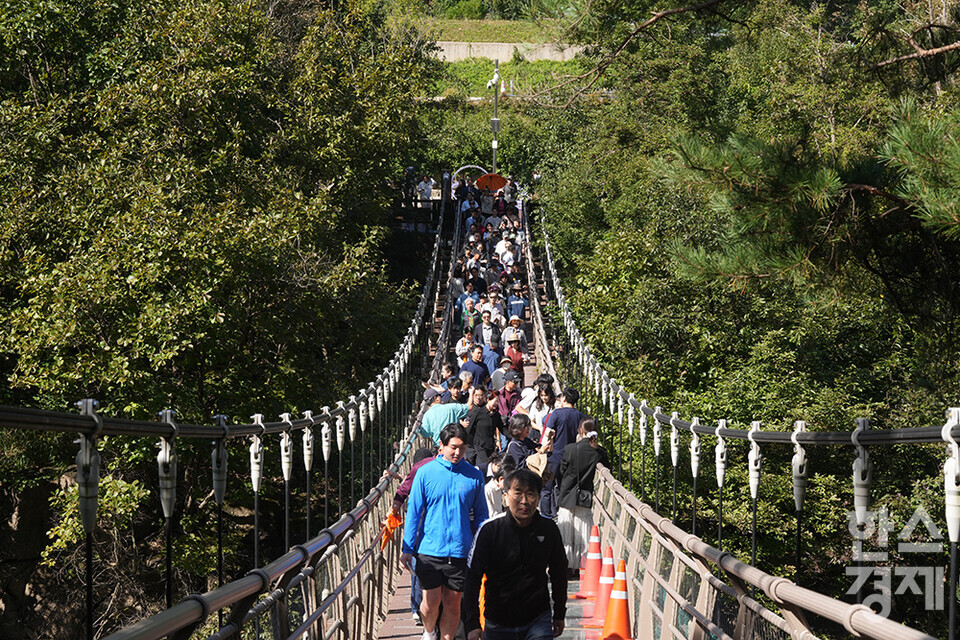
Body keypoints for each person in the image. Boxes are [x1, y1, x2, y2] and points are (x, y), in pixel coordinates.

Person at [403, 424, 489, 640]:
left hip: (460, 550)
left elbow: (481, 516)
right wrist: (407, 548)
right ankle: (430, 632)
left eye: (462, 448)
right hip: (429, 550)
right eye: (453, 447)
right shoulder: (425, 473)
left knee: (453, 603)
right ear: (440, 446)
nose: (457, 452)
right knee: (430, 604)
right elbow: (413, 512)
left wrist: (483, 546)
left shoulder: (473, 476)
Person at [463, 469, 567, 640]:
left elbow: (559, 572)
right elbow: (472, 578)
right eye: (518, 493)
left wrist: (559, 613)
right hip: (498, 620)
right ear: (505, 496)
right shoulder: (490, 530)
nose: (524, 501)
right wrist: (472, 624)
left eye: (531, 494)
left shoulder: (548, 529)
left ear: (539, 497)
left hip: (537, 618)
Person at [390, 446, 439, 623]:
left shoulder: (420, 467)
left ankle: (417, 608)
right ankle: (423, 610)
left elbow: (403, 490)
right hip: (427, 522)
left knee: (417, 563)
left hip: (423, 522)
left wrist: (394, 510)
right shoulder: (426, 467)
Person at [556, 418, 608, 572]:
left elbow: (562, 471)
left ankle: (565, 566)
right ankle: (583, 567)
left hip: (567, 496)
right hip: (584, 497)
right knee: (584, 532)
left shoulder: (570, 449)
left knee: (566, 533)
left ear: (580, 430)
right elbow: (607, 469)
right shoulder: (599, 452)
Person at [540, 388, 587, 520]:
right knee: (563, 488)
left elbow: (548, 432)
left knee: (546, 488)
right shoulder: (580, 416)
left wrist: (545, 446)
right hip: (570, 458)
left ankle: (545, 516)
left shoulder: (556, 414)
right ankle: (562, 516)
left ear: (564, 398)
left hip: (554, 456)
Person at [466, 388, 503, 472]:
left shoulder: (496, 415)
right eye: (494, 401)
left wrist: (515, 435)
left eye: (498, 401)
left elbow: (502, 429)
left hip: (490, 446)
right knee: (483, 468)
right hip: (479, 446)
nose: (496, 404)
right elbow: (469, 428)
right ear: (488, 400)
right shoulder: (479, 412)